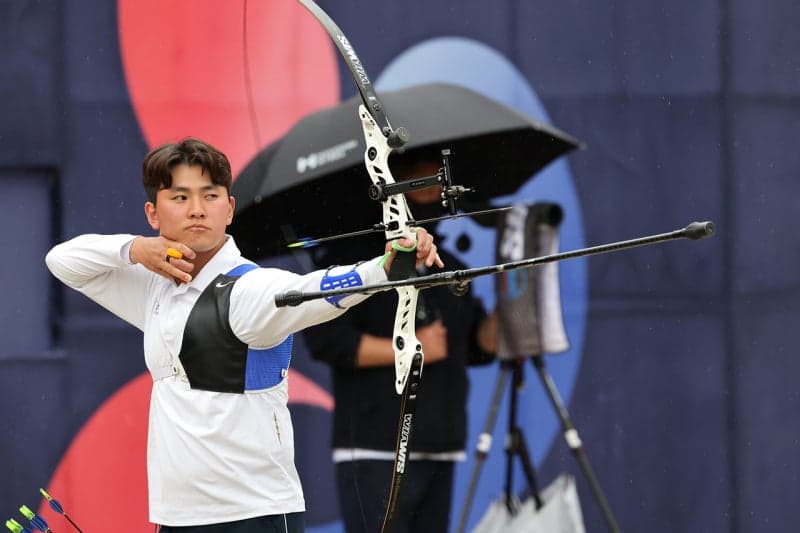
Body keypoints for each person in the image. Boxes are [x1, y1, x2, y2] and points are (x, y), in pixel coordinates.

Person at [44, 138, 443, 533]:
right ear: (153, 213)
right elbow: (62, 261)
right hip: (178, 516)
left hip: (253, 514)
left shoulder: (250, 288)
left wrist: (384, 269)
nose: (197, 210)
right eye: (179, 197)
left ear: (229, 208)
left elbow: (319, 289)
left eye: (210, 195)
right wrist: (134, 249)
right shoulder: (155, 288)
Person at [304, 156, 497, 533]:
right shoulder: (358, 261)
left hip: (441, 443)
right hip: (376, 448)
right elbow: (328, 341)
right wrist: (408, 348)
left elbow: (475, 345)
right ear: (394, 185)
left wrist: (517, 296)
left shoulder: (450, 264)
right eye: (418, 177)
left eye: (437, 179)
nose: (432, 188)